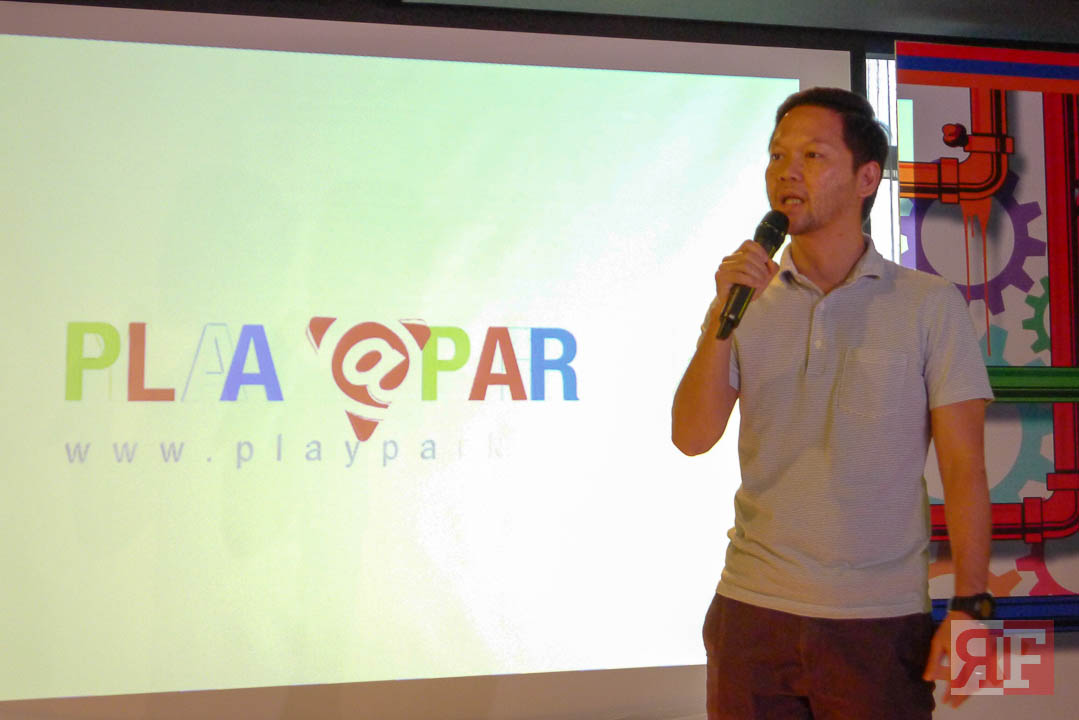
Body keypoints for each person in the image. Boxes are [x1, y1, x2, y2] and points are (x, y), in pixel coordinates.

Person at [671, 87, 993, 719]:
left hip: (877, 621)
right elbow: (691, 436)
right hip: (752, 610)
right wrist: (720, 316)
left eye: (812, 156)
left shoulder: (928, 304)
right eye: (776, 156)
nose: (786, 171)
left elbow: (964, 467)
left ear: (867, 178)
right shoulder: (745, 299)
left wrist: (972, 604)